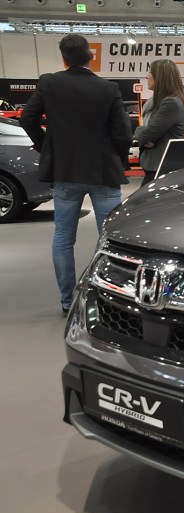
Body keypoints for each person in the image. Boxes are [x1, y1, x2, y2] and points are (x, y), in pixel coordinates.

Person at [20, 34, 131, 314]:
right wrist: (117, 156)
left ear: (64, 59)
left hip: (65, 171)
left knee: (63, 238)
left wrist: (47, 146)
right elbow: (122, 132)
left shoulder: (49, 82)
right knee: (112, 240)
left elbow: (27, 119)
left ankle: (68, 302)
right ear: (90, 56)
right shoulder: (108, 88)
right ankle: (111, 300)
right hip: (103, 172)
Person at [135, 59, 184, 185]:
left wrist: (138, 130)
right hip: (157, 166)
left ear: (160, 77)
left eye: (150, 72)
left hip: (162, 168)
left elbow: (146, 135)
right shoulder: (156, 102)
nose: (146, 76)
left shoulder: (170, 103)